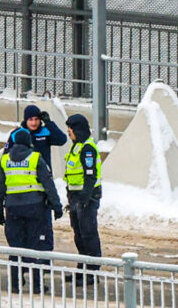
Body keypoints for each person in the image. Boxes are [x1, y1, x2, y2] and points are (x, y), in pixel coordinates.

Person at [0, 129, 63, 293]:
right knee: (35, 247)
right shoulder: (35, 158)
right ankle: (37, 286)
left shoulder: (5, 160)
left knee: (15, 247)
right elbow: (48, 184)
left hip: (12, 210)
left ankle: (15, 285)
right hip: (35, 208)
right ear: (29, 143)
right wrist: (56, 206)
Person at [63, 114, 102, 286]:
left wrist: (85, 199)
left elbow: (90, 175)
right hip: (75, 197)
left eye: (70, 129)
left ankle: (92, 272)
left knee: (88, 234)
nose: (68, 132)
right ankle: (82, 268)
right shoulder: (76, 147)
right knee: (79, 235)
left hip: (86, 198)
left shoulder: (87, 149)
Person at [5, 104, 67, 170]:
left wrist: (49, 123)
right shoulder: (16, 133)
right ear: (26, 120)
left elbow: (62, 140)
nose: (34, 123)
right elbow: (5, 156)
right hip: (24, 175)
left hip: (43, 175)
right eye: (30, 119)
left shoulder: (46, 131)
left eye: (36, 119)